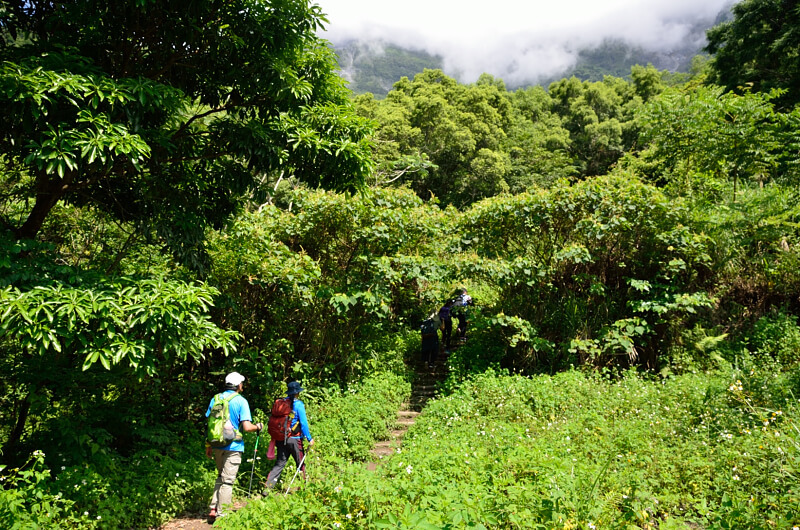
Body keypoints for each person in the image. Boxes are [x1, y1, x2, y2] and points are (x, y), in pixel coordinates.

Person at [205, 372, 263, 522]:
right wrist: (258, 426)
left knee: (220, 476)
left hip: (217, 444)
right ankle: (222, 515)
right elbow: (247, 427)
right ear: (238, 385)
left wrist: (208, 445)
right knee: (227, 481)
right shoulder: (241, 401)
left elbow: (209, 424)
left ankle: (213, 508)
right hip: (234, 446)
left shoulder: (216, 398)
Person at [264, 381, 314, 492]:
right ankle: (304, 490)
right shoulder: (298, 404)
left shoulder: (281, 403)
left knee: (280, 463)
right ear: (297, 393)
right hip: (295, 439)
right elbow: (304, 423)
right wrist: (309, 438)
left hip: (281, 438)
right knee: (300, 464)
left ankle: (267, 488)